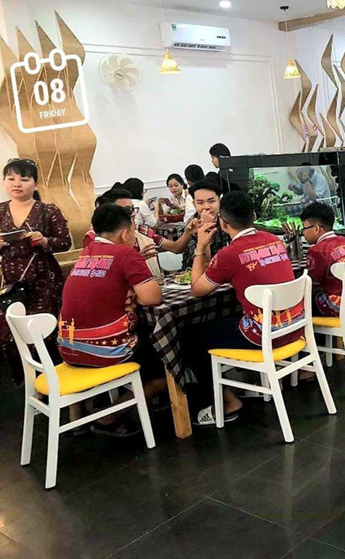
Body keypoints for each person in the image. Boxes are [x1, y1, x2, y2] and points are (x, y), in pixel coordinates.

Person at [187, 191, 302, 425]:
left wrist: (200, 246)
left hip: (263, 334)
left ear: (223, 223)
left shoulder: (229, 254)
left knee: (191, 338)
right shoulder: (275, 240)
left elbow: (197, 289)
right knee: (226, 319)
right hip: (295, 326)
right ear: (254, 215)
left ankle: (228, 402)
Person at [58, 203, 164, 436]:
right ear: (125, 233)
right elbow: (153, 297)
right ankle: (109, 417)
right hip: (105, 351)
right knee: (167, 364)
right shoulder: (126, 254)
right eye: (134, 230)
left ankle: (78, 414)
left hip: (68, 348)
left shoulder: (87, 252)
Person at [0, 159, 71, 383]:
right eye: (11, 178)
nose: (17, 183)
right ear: (4, 182)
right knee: (13, 335)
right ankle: (30, 383)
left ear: (35, 184)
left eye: (24, 179)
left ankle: (56, 381)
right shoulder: (0, 211)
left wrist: (45, 240)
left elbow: (65, 242)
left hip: (44, 281)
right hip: (11, 285)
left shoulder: (47, 210)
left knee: (47, 331)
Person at [298, 201, 345, 316]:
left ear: (316, 229)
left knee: (299, 300)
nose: (303, 233)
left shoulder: (317, 250)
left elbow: (310, 284)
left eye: (304, 228)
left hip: (340, 306)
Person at [86, 188, 197, 257]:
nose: (133, 214)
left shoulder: (141, 230)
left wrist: (188, 231)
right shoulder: (95, 238)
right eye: (126, 210)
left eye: (132, 209)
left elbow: (176, 247)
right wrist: (136, 260)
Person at [181, 179, 230, 269]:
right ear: (194, 204)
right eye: (200, 203)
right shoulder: (191, 227)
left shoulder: (227, 222)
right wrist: (205, 226)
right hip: (195, 273)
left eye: (211, 201)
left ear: (219, 201)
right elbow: (204, 264)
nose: (206, 207)